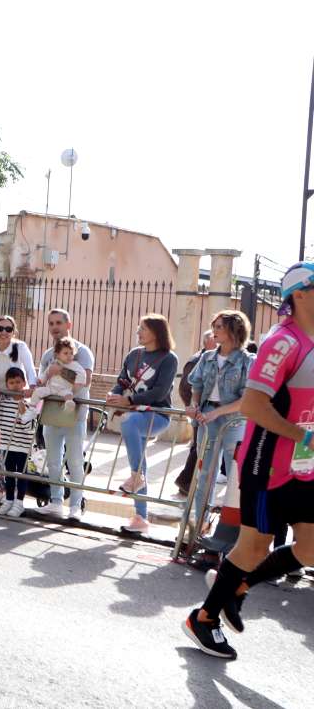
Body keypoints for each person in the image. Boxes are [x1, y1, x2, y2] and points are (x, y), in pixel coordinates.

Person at [183, 262, 314, 660]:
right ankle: (203, 618)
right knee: (253, 546)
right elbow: (255, 406)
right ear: (302, 293)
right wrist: (303, 435)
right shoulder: (283, 342)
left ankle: (237, 585)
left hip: (303, 462)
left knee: (311, 549)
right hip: (267, 461)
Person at [108, 313, 180, 534]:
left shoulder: (169, 358)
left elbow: (160, 391)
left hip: (157, 414)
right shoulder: (134, 354)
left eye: (143, 328)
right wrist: (114, 395)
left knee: (129, 425)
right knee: (140, 462)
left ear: (157, 332)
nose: (138, 332)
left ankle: (135, 477)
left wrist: (129, 400)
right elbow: (122, 380)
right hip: (133, 412)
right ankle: (141, 516)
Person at [185, 312, 253, 524]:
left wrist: (216, 413)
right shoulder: (207, 357)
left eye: (219, 326)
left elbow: (246, 398)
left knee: (235, 477)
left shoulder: (247, 361)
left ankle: (233, 527)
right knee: (205, 473)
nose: (214, 330)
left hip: (234, 422)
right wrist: (194, 404)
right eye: (213, 325)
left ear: (234, 330)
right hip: (207, 419)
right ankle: (200, 522)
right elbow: (196, 384)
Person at [37, 308, 96, 519]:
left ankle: (75, 506)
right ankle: (55, 501)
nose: (54, 327)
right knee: (53, 460)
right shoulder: (47, 354)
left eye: (58, 323)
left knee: (74, 461)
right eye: (51, 323)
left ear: (68, 325)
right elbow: (41, 379)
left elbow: (86, 381)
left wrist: (59, 371)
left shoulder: (82, 351)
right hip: (51, 414)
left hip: (75, 415)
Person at [174, 329, 218, 497]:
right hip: (200, 413)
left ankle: (187, 482)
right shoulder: (197, 360)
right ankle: (185, 481)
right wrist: (194, 407)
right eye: (214, 338)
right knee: (198, 448)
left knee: (199, 448)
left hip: (205, 413)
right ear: (207, 342)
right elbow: (185, 388)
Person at [0, 367, 37, 517]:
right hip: (6, 445)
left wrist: (23, 410)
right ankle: (9, 499)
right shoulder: (3, 401)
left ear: (24, 383)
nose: (15, 385)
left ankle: (19, 502)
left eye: (18, 382)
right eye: (11, 382)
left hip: (22, 446)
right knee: (8, 473)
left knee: (21, 474)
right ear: (7, 384)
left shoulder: (30, 403)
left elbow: (29, 428)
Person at [21, 337, 87, 423]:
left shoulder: (74, 365)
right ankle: (32, 410)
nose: (69, 356)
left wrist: (78, 383)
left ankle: (69, 406)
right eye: (65, 353)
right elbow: (46, 372)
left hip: (64, 389)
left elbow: (82, 373)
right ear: (58, 354)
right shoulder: (54, 363)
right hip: (51, 388)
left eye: (71, 353)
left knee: (69, 395)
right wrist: (41, 380)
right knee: (37, 392)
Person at [0, 314, 38, 388]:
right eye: (0, 329)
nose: (4, 332)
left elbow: (30, 369)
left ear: (13, 333)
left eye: (8, 329)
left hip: (16, 395)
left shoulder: (20, 347)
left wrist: (32, 387)